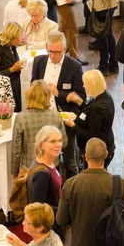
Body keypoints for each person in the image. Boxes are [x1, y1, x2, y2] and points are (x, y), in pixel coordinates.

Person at [32, 31, 85, 179]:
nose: (53, 55)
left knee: (69, 161)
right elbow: (33, 85)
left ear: (64, 50)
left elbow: (81, 97)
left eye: (57, 52)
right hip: (42, 117)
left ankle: (71, 191)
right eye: (50, 51)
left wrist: (58, 94)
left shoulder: (74, 66)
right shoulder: (39, 61)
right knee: (44, 159)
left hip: (65, 120)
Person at [10, 81, 68, 176]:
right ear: (48, 97)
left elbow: (16, 150)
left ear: (29, 96)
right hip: (52, 166)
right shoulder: (56, 116)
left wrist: (14, 172)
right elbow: (64, 142)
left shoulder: (21, 118)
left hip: (29, 168)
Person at [63, 70, 115, 168]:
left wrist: (72, 125)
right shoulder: (102, 96)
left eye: (85, 84)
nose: (83, 86)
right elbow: (88, 113)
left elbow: (92, 135)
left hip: (97, 152)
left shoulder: (99, 107)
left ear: (92, 85)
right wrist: (78, 105)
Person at [82, 0, 118, 74]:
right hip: (112, 3)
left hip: (103, 5)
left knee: (102, 36)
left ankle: (104, 66)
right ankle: (113, 64)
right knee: (109, 34)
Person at [49, 0, 88, 65]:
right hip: (62, 2)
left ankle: (56, 52)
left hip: (66, 0)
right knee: (72, 29)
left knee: (63, 29)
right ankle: (74, 58)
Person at [0, 22, 26, 111]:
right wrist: (12, 69)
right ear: (11, 36)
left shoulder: (12, 46)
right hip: (4, 90)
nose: (20, 40)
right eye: (18, 37)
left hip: (15, 86)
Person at [27, 125, 64, 211]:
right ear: (41, 145)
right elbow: (38, 207)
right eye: (53, 141)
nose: (58, 145)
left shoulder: (49, 163)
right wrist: (64, 210)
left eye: (59, 141)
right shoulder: (41, 174)